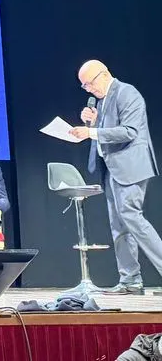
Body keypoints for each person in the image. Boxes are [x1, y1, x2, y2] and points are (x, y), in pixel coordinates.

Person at [69, 60, 162, 295]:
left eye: (90, 83)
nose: (89, 89)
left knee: (132, 217)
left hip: (131, 167)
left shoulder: (127, 93)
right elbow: (107, 131)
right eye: (84, 86)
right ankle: (130, 280)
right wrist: (94, 121)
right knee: (119, 226)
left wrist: (91, 131)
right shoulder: (103, 101)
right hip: (111, 169)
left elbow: (129, 131)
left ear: (104, 74)